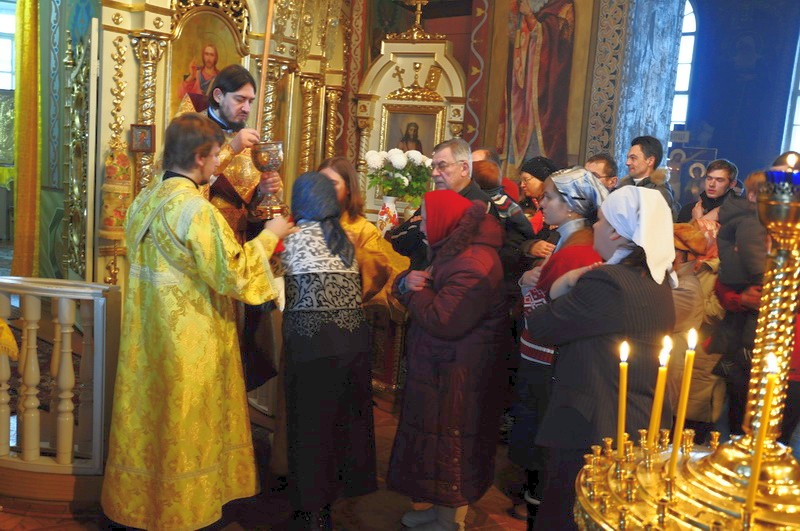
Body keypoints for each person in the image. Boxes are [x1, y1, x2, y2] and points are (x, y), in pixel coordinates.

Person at [101, 113, 296, 530]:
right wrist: (272, 233)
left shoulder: (145, 200)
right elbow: (237, 273)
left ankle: (141, 507)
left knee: (152, 423)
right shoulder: (196, 212)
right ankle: (185, 512)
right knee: (185, 428)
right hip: (191, 342)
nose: (217, 163)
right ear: (200, 157)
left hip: (147, 341)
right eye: (213, 155)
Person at [527, 186, 676, 530]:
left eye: (599, 220)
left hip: (595, 427)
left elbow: (541, 326)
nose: (593, 227)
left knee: (572, 513)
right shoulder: (657, 281)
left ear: (615, 231)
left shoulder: (608, 282)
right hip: (636, 419)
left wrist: (563, 281)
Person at [388, 190, 507, 531]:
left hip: (458, 371)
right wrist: (406, 283)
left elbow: (445, 320)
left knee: (452, 443)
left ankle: (450, 518)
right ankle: (439, 509)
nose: (421, 225)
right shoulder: (453, 251)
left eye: (425, 217)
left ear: (444, 221)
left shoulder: (473, 262)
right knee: (436, 440)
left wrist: (415, 289)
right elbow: (418, 283)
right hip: (442, 366)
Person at [508, 167, 606, 526]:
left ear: (572, 206)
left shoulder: (577, 250)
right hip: (543, 356)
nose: (542, 202)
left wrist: (524, 286)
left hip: (547, 361)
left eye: (549, 197)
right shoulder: (568, 239)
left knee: (541, 444)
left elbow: (549, 315)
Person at [279, 172, 376, 530]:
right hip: (351, 345)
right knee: (338, 426)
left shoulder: (291, 239)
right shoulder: (345, 240)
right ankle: (331, 503)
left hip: (312, 347)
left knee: (309, 430)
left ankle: (312, 512)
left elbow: (258, 279)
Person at [178, 64, 284, 391]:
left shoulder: (249, 145)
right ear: (219, 95)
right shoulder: (190, 130)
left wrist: (264, 197)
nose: (247, 108)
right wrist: (231, 148)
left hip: (236, 254)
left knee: (236, 345)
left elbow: (248, 211)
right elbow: (185, 187)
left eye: (251, 101)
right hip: (199, 254)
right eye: (240, 99)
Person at [387, 138, 496, 270]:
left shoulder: (480, 205)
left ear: (464, 168)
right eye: (433, 166)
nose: (434, 173)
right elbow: (398, 241)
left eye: (442, 166)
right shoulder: (436, 200)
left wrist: (417, 225)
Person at [318, 156, 409, 314]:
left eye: (332, 184)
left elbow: (376, 276)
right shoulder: (305, 223)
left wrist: (354, 253)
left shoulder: (364, 230)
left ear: (348, 189)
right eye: (320, 183)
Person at [498, 0, 575, 167]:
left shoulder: (561, 6)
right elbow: (513, 36)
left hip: (545, 86)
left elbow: (557, 43)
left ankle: (537, 170)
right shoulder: (521, 4)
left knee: (538, 131)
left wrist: (529, 16)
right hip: (521, 84)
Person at [616, 135, 676, 211]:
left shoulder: (659, 193)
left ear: (650, 161)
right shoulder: (623, 186)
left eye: (633, 158)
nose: (627, 162)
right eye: (628, 158)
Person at [677, 158, 739, 224]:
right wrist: (695, 220)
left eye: (719, 180)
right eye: (709, 178)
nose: (712, 184)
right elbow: (676, 234)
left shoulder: (738, 212)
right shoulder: (689, 209)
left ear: (732, 184)